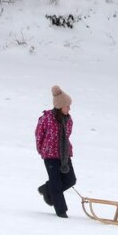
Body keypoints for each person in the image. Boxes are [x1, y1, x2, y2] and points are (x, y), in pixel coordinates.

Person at [36, 85, 76, 218]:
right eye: (67, 106)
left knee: (70, 180)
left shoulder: (68, 120)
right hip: (50, 155)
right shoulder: (46, 119)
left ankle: (46, 189)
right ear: (60, 106)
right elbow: (39, 135)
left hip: (64, 155)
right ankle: (61, 211)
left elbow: (67, 136)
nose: (69, 109)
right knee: (57, 184)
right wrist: (42, 149)